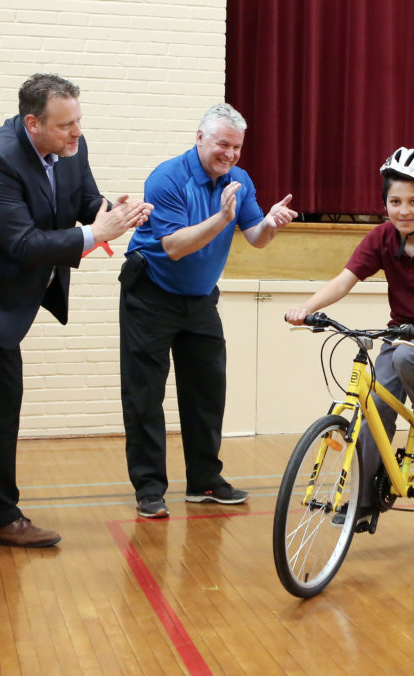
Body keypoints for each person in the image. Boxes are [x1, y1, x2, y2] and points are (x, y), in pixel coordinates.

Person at [0, 73, 151, 547]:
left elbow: (85, 199)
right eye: (66, 124)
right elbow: (22, 242)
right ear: (32, 123)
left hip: (2, 291)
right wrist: (99, 234)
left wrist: (113, 209)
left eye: (78, 121)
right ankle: (0, 516)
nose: (76, 132)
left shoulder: (71, 147)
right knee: (0, 402)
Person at [120, 103, 298, 519]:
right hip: (151, 294)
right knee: (145, 395)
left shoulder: (240, 180)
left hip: (199, 300)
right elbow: (175, 247)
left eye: (237, 147)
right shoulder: (168, 178)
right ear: (199, 138)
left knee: (206, 393)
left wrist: (270, 222)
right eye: (223, 144)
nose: (231, 154)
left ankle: (204, 481)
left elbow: (255, 237)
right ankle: (149, 489)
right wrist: (222, 219)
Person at [285, 146, 414, 528]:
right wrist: (306, 309)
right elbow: (344, 280)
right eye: (395, 201)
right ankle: (368, 500)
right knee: (375, 407)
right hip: (401, 332)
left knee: (409, 359)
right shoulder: (381, 238)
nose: (403, 210)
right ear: (384, 203)